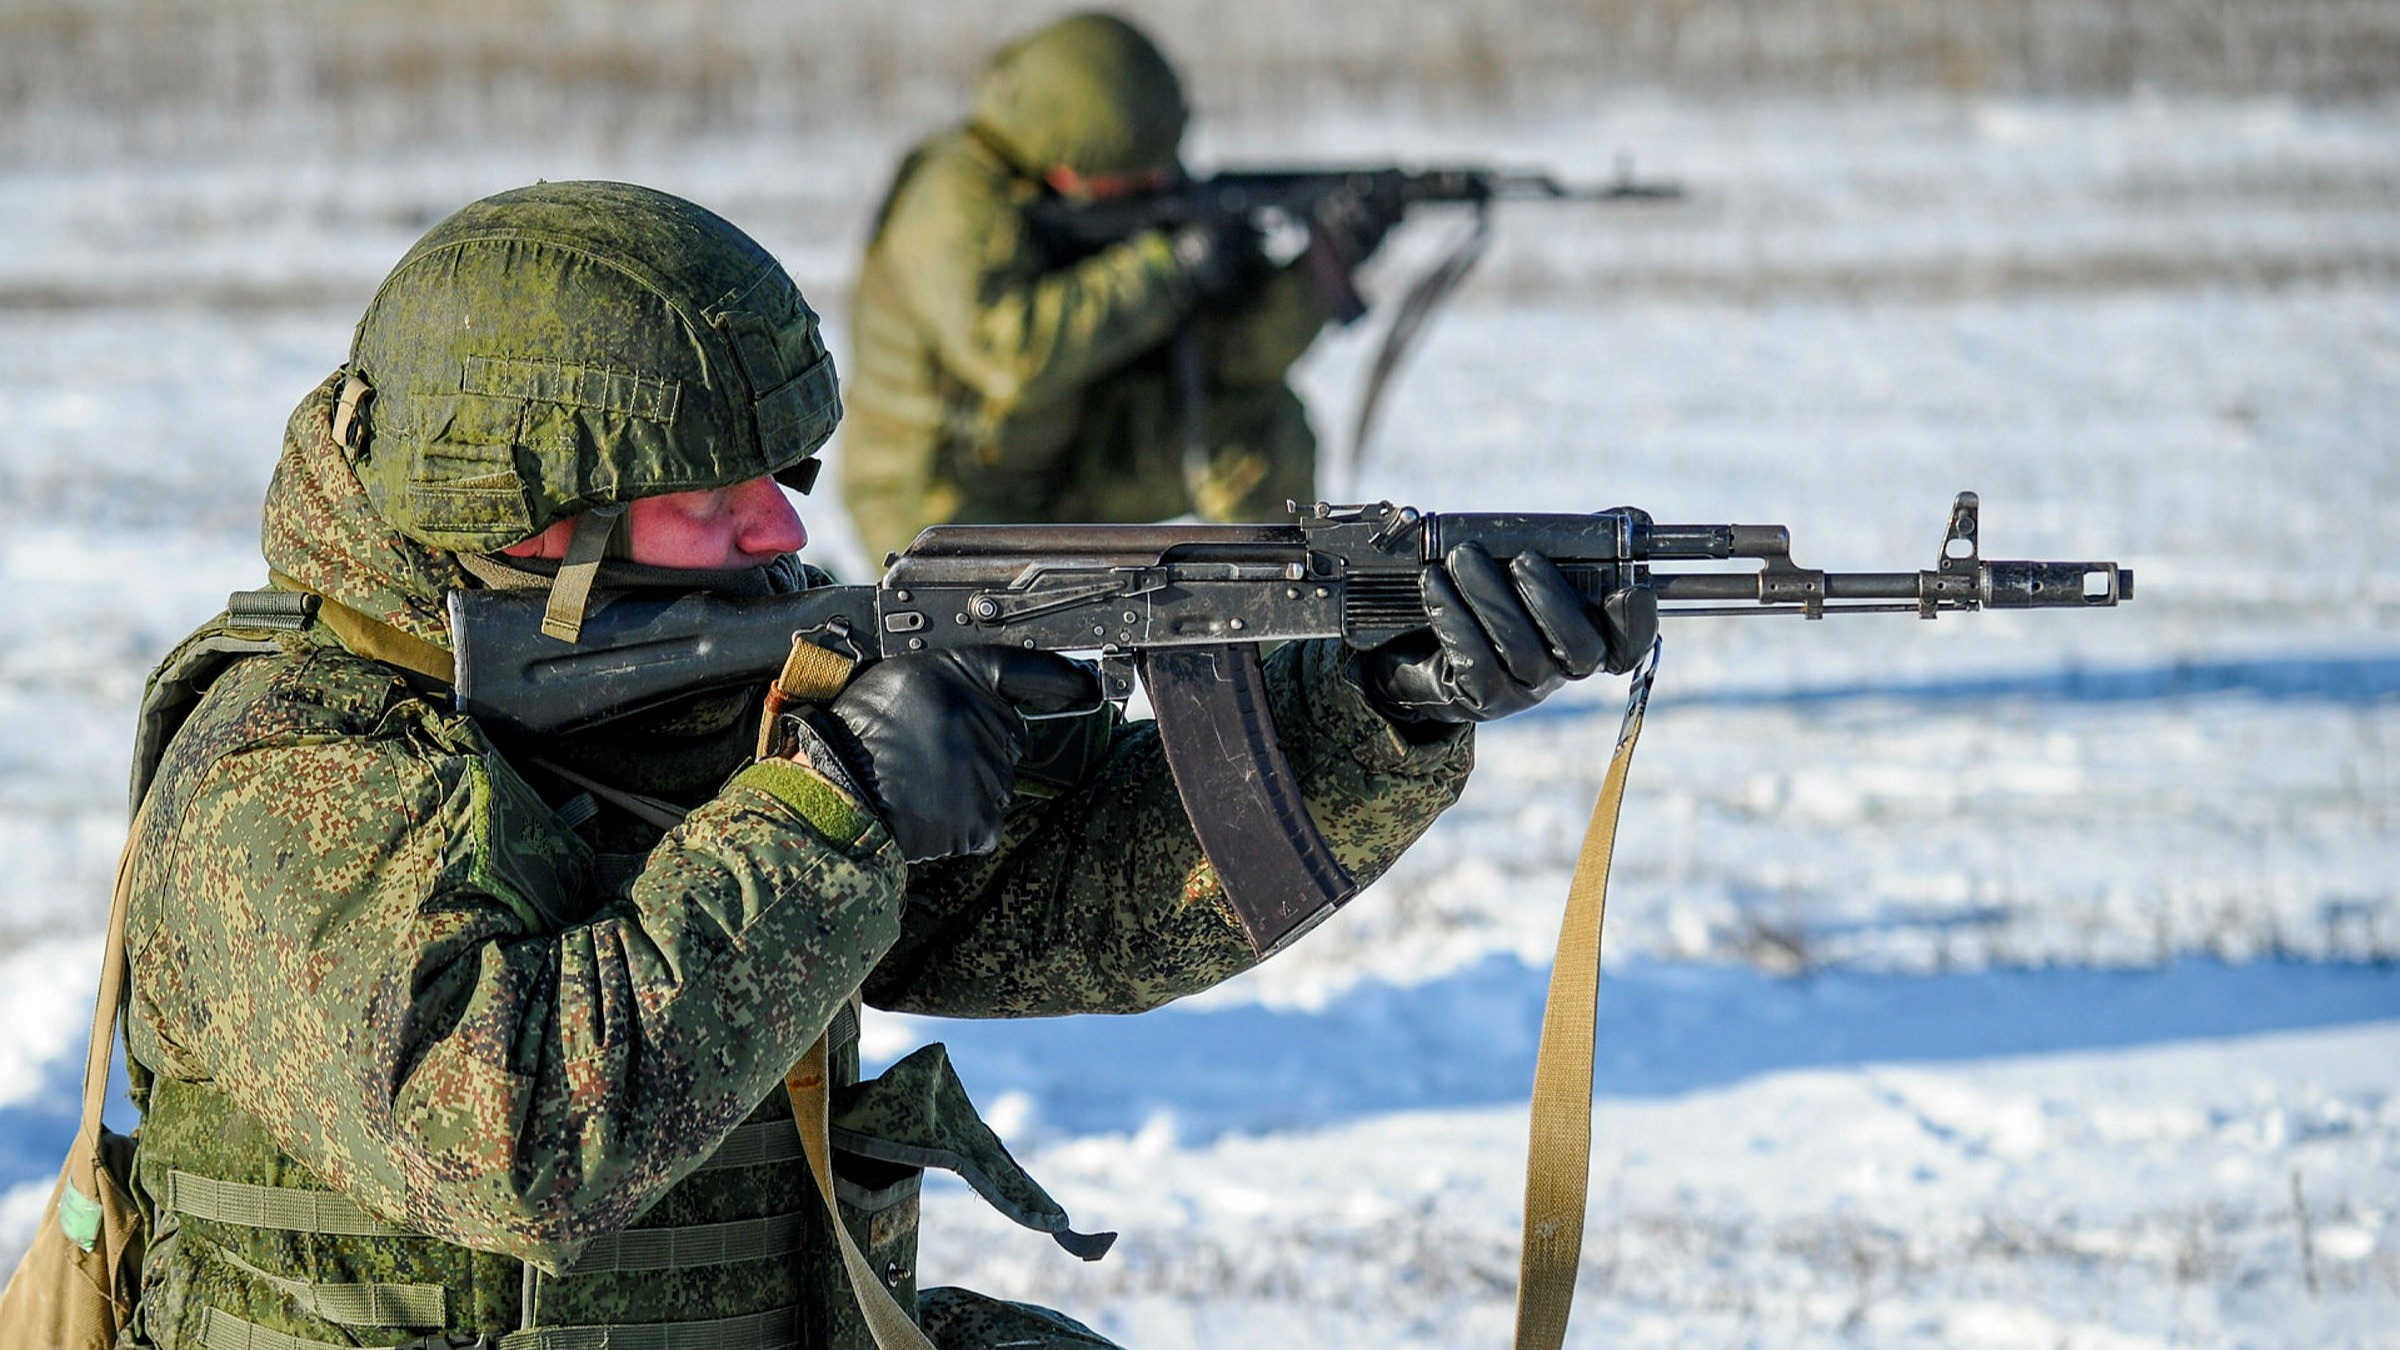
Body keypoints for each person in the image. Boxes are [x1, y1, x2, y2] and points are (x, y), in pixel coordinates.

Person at [115, 181, 1649, 1349]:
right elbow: (508, 1139)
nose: (785, 532)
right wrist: (838, 807)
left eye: (780, 479)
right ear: (532, 523)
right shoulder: (281, 772)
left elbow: (1063, 895)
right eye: (716, 500)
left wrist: (1383, 701)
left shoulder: (699, 672)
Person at [841, 11, 1397, 563]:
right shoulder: (951, 200)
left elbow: (1232, 357)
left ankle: (1277, 635)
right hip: (946, 503)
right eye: (1134, 177)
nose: (1156, 184)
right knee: (999, 655)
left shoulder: (1112, 199)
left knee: (1259, 425)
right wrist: (1165, 267)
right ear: (1069, 164)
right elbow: (1010, 355)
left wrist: (1319, 273)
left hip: (1071, 462)